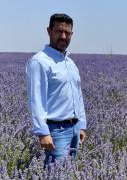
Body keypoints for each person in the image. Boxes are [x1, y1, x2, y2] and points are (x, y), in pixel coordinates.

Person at [26, 13, 87, 165]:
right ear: (49, 31)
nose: (63, 36)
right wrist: (42, 132)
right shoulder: (40, 61)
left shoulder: (70, 63)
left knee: (69, 177)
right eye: (59, 31)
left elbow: (78, 96)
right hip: (56, 131)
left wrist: (81, 126)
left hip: (74, 130)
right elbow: (36, 99)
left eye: (67, 33)